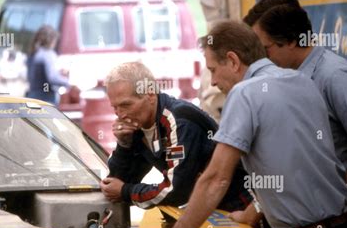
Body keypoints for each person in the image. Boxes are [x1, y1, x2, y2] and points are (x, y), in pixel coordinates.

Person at [165, 20, 347, 228]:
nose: (213, 82)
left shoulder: (244, 93)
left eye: (213, 70)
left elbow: (215, 180)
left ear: (232, 60)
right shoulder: (303, 80)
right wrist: (253, 211)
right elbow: (292, 167)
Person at [243, 0, 347, 228]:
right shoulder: (285, 79)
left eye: (264, 49)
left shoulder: (334, 76)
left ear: (291, 40)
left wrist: (338, 195)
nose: (260, 58)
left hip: (343, 222)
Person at [100, 61, 252, 212]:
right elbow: (116, 184)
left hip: (240, 205)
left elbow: (176, 191)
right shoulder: (139, 125)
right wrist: (124, 144)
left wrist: (126, 191)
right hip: (206, 207)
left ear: (151, 94)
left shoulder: (179, 121)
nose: (120, 114)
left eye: (126, 105)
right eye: (115, 107)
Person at [26, 25, 69, 105]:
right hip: (46, 99)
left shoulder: (33, 54)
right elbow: (52, 78)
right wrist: (68, 82)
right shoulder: (48, 54)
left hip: (32, 97)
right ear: (52, 40)